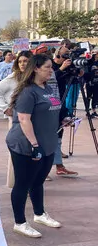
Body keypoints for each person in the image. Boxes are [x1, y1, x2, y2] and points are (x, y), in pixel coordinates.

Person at [6, 54, 63, 238]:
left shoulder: (47, 88)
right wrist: (34, 144)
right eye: (47, 67)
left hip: (48, 143)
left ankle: (39, 213)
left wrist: (64, 118)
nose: (51, 70)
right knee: (23, 184)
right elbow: (23, 119)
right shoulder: (28, 91)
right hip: (26, 144)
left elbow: (52, 109)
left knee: (38, 181)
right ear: (36, 68)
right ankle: (20, 222)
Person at [0, 50, 33, 188]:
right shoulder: (13, 77)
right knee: (18, 152)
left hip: (32, 119)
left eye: (25, 61)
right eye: (20, 61)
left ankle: (29, 182)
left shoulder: (34, 78)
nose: (22, 64)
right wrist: (5, 108)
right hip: (16, 121)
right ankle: (16, 183)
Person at [50, 45, 79, 178]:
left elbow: (78, 77)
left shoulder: (69, 66)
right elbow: (49, 79)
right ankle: (43, 169)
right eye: (65, 54)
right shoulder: (50, 66)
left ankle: (59, 166)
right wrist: (61, 69)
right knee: (49, 135)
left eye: (69, 54)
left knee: (59, 132)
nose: (67, 56)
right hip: (49, 103)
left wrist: (80, 72)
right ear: (58, 56)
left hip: (60, 103)